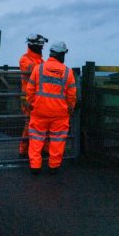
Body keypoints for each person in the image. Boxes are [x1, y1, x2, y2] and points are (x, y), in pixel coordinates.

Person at [26, 41, 77, 175]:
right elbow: (71, 94)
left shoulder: (39, 68)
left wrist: (30, 103)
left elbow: (30, 88)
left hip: (39, 110)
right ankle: (53, 166)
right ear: (61, 54)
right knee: (57, 140)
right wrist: (71, 107)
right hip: (60, 113)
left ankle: (35, 166)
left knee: (36, 138)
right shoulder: (68, 72)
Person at [18, 34, 48, 158]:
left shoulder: (41, 61)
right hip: (28, 97)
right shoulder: (25, 59)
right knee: (29, 124)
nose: (42, 48)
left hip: (40, 97)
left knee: (43, 124)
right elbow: (35, 71)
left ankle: (42, 150)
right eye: (40, 46)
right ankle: (24, 150)